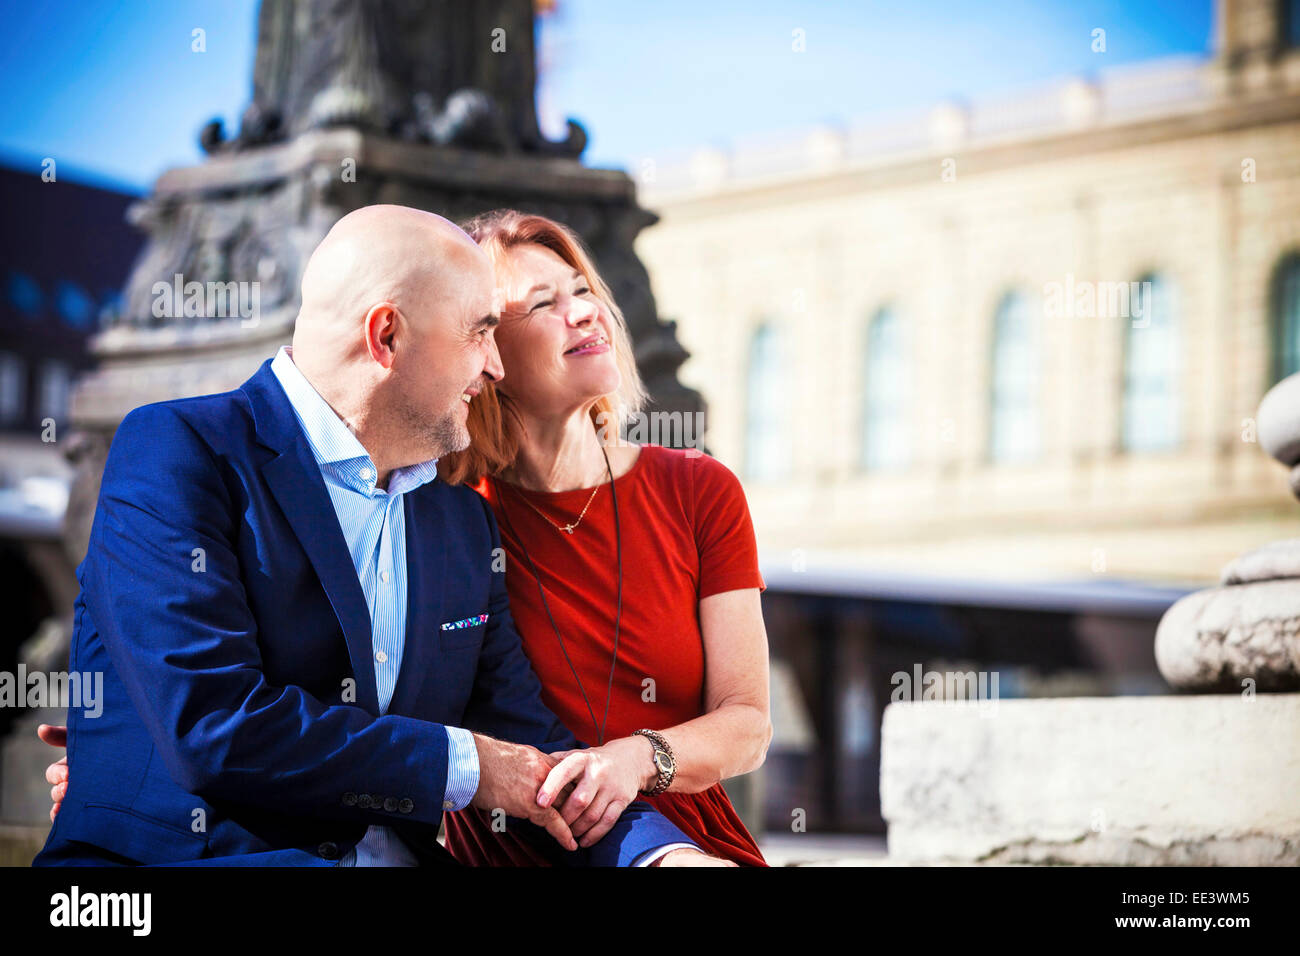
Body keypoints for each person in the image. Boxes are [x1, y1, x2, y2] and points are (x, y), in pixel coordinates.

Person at [32, 204, 725, 867]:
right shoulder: (178, 452)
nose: (496, 367)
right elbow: (213, 726)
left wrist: (664, 857)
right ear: (386, 337)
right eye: (479, 333)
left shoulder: (459, 522)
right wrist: (468, 767)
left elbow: (532, 750)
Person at [433, 210, 772, 866]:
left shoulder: (701, 491)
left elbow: (748, 723)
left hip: (689, 847)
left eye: (583, 292)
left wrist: (636, 759)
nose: (584, 314)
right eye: (543, 303)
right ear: (487, 350)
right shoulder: (447, 516)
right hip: (519, 847)